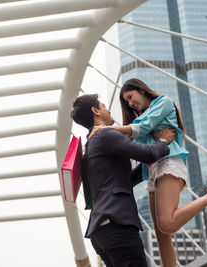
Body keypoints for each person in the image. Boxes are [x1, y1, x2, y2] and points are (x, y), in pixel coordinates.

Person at [90, 78, 207, 267]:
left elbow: (141, 129)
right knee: (162, 234)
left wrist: (105, 130)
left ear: (141, 90)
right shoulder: (141, 117)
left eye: (130, 97)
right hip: (152, 173)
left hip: (168, 163)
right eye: (127, 102)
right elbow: (139, 142)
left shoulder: (162, 102)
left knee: (167, 223)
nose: (131, 103)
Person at [70, 94, 175, 267]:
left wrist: (149, 166)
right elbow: (147, 153)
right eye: (103, 106)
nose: (108, 109)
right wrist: (164, 141)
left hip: (102, 231)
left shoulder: (91, 144)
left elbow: (123, 181)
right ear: (95, 110)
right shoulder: (105, 135)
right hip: (117, 224)